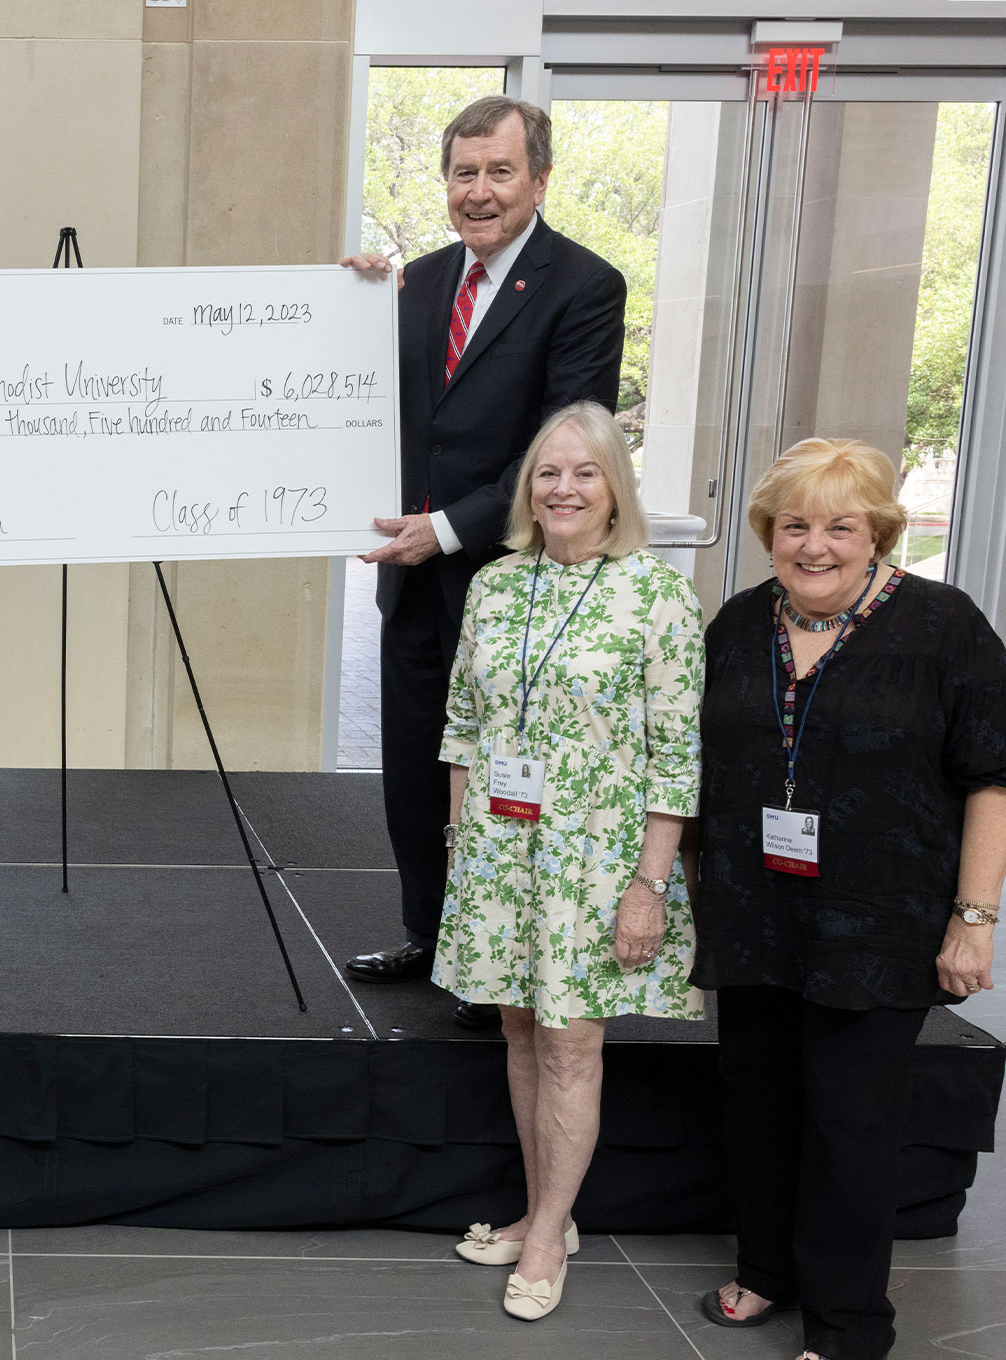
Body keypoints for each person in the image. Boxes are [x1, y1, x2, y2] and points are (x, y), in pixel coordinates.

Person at [689, 439, 1006, 1360]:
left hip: (882, 919)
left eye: (840, 525)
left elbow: (992, 778)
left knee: (850, 1119)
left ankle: (849, 1323)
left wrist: (974, 919)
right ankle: (767, 1270)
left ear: (879, 534)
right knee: (758, 1101)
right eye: (795, 525)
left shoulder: (945, 626)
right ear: (768, 533)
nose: (815, 545)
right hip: (756, 909)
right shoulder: (740, 623)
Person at [338, 95, 628, 1030]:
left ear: (538, 180)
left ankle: (494, 959)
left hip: (508, 580)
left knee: (502, 779)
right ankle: (429, 936)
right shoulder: (415, 283)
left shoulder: (585, 286)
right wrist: (338, 306)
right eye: (464, 172)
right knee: (416, 772)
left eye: (499, 172)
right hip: (411, 579)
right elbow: (361, 403)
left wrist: (450, 529)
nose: (479, 190)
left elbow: (560, 439)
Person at [433, 402, 703, 1320]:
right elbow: (463, 726)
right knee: (519, 1030)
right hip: (501, 853)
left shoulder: (658, 595)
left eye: (584, 472)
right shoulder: (496, 586)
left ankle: (549, 1233)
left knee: (570, 1043)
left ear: (614, 486)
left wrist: (650, 886)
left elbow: (678, 754)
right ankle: (540, 1209)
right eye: (549, 472)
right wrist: (461, 845)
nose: (564, 488)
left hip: (597, 860)